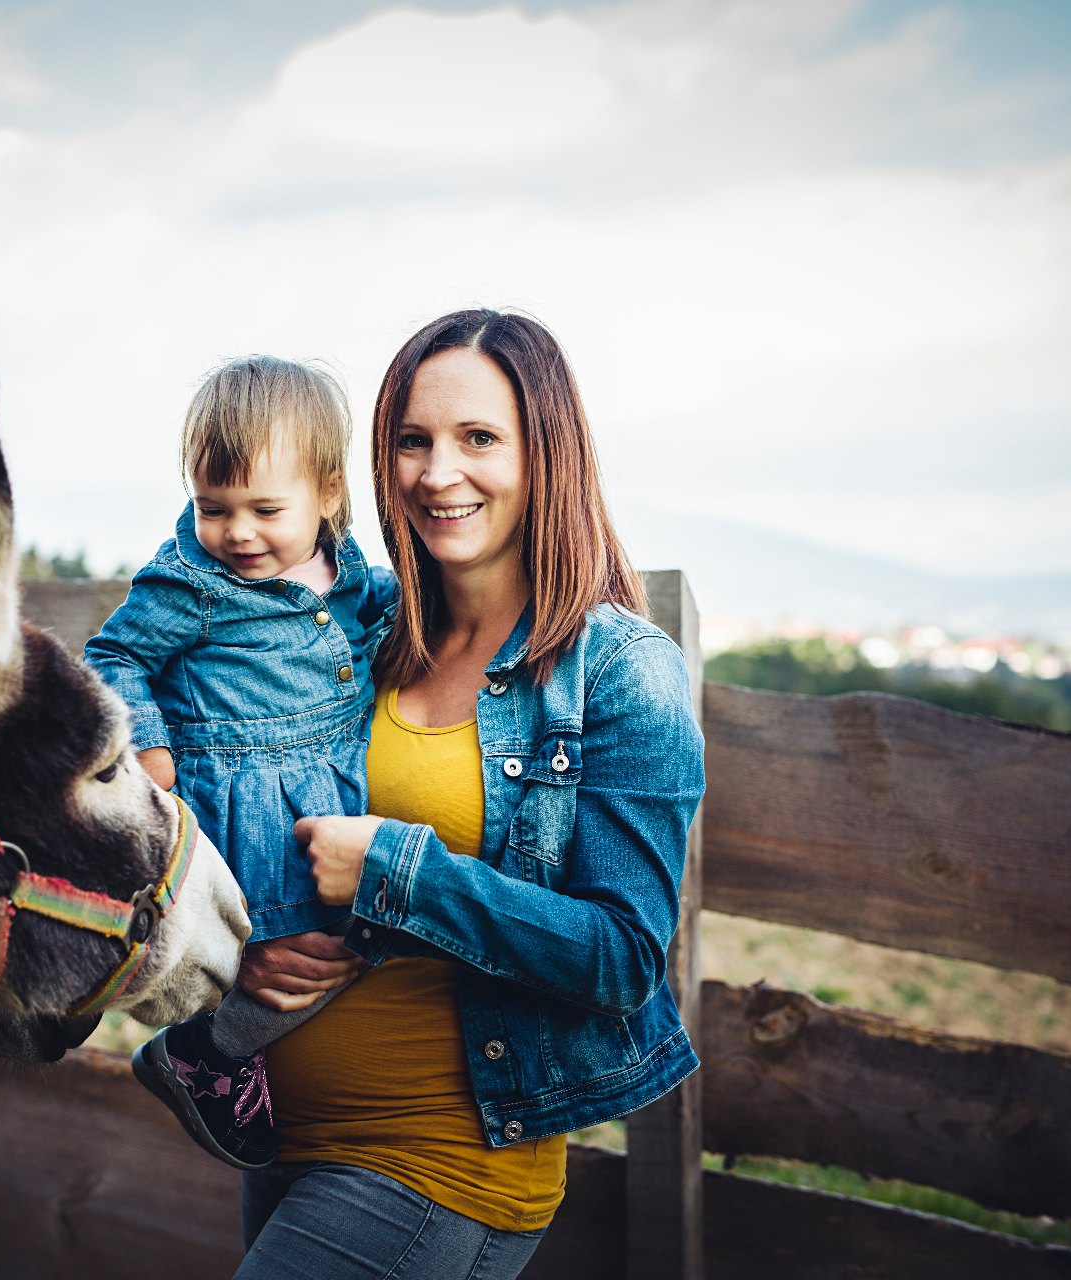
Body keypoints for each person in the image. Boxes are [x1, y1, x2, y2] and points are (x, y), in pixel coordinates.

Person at [230, 309, 705, 1280]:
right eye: (413, 441)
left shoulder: (621, 669)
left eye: (479, 437)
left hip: (440, 1164)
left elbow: (621, 955)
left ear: (546, 455)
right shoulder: (359, 639)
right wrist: (252, 945)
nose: (437, 473)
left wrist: (397, 870)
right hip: (281, 1138)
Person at [84, 354, 398, 1171]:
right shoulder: (192, 582)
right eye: (213, 507)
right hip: (248, 810)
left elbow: (385, 619)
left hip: (327, 798)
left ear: (329, 493)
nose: (238, 533)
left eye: (266, 509)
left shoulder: (351, 574)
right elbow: (114, 654)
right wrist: (149, 748)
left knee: (364, 933)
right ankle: (210, 1053)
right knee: (314, 953)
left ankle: (220, 1050)